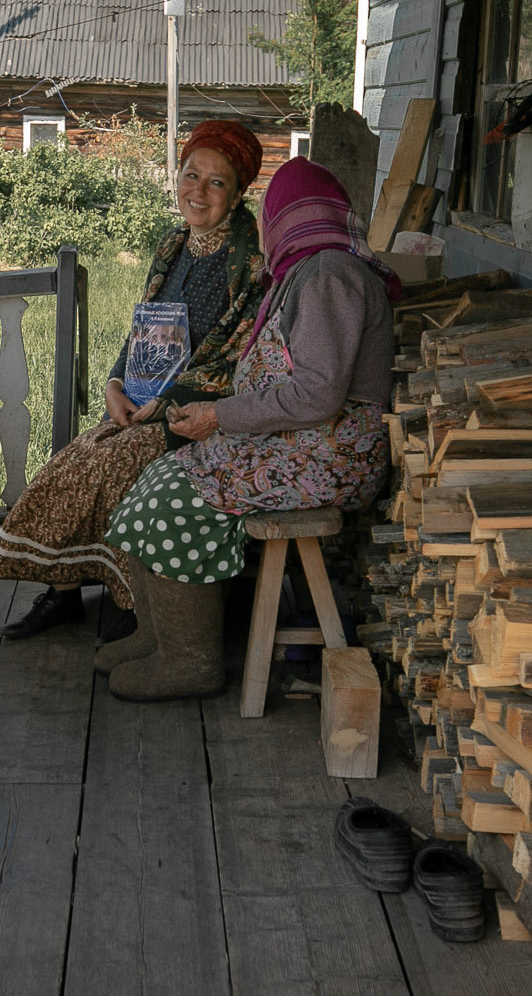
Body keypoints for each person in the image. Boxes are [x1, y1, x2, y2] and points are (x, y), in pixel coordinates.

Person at [102, 157, 397, 702]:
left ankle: (191, 661)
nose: (264, 226)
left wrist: (220, 417)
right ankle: (158, 636)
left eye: (270, 213)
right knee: (155, 477)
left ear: (288, 216)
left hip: (329, 456)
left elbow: (318, 394)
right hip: (303, 445)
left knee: (175, 498)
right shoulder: (304, 272)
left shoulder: (330, 276)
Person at [0, 120, 270, 641]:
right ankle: (63, 593)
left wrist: (166, 402)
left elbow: (236, 357)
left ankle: (130, 605)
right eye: (190, 175)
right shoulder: (172, 246)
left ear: (239, 190)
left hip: (202, 416)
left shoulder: (250, 261)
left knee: (114, 467)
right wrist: (116, 383)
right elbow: (146, 331)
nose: (197, 192)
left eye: (216, 182)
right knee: (72, 462)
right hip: (144, 405)